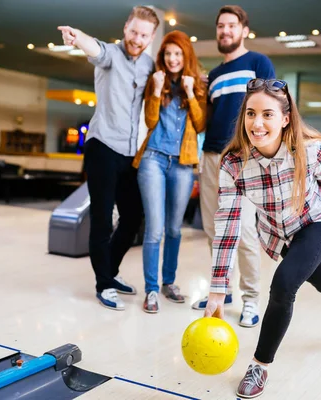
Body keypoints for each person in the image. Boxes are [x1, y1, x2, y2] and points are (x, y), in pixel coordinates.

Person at [203, 78, 321, 398]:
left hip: (320, 222)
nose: (257, 123)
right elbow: (227, 226)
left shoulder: (310, 149)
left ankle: (260, 365)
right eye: (250, 113)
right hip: (280, 236)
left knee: (284, 284)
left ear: (285, 118)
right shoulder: (234, 164)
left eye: (268, 114)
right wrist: (217, 289)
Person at [57, 6, 159, 311]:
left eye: (143, 34)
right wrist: (77, 38)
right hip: (102, 147)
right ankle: (103, 284)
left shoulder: (150, 66)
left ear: (151, 37)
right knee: (102, 219)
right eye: (133, 31)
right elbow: (95, 48)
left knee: (132, 216)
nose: (136, 38)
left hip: (129, 153)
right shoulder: (111, 55)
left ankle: (109, 273)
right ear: (125, 28)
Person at [192, 5, 276, 328]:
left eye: (231, 26)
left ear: (244, 31)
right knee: (213, 231)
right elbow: (209, 119)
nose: (225, 31)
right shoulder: (213, 75)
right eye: (220, 26)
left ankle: (251, 300)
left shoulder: (258, 63)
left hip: (245, 158)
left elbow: (269, 107)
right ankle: (221, 290)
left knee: (243, 231)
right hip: (212, 157)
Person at [132, 30, 207, 313]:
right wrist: (154, 90)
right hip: (153, 159)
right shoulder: (157, 83)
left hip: (183, 164)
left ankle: (169, 283)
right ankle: (151, 289)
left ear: (185, 56)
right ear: (162, 57)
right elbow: (150, 120)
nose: (172, 58)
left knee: (174, 229)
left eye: (177, 53)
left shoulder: (197, 86)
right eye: (167, 54)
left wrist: (189, 92)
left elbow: (200, 125)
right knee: (154, 229)